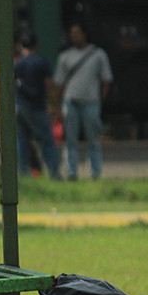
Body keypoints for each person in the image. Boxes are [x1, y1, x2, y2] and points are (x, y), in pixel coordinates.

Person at [52, 22, 113, 180]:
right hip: (70, 101)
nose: (75, 36)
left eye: (78, 33)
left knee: (93, 139)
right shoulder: (65, 56)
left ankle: (95, 172)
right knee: (70, 139)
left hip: (91, 101)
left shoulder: (98, 54)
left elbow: (106, 79)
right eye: (72, 33)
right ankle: (71, 172)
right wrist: (57, 105)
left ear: (85, 34)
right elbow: (58, 83)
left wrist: (100, 99)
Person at [14, 32, 62, 180]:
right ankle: (54, 174)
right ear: (37, 45)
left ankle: (23, 175)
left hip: (19, 107)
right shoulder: (42, 62)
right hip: (36, 107)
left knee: (22, 142)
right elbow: (49, 86)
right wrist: (55, 105)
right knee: (46, 140)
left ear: (21, 46)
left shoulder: (17, 63)